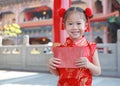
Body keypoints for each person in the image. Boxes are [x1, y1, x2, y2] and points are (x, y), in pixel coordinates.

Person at [48, 7, 101, 86]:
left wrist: (88, 64)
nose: (74, 27)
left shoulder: (91, 47)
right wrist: (51, 66)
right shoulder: (61, 48)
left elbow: (98, 71)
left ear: (86, 25)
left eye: (78, 23)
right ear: (64, 26)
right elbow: (57, 73)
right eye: (70, 24)